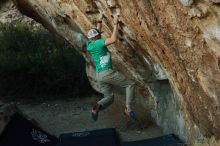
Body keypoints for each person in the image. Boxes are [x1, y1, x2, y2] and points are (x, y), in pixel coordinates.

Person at [86, 14, 136, 121]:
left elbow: (96, 32)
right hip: (107, 72)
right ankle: (128, 108)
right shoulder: (99, 43)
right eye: (99, 35)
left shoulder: (90, 44)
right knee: (130, 84)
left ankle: (97, 107)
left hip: (99, 75)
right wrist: (115, 24)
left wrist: (99, 21)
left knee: (109, 97)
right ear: (96, 37)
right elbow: (113, 39)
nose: (100, 36)